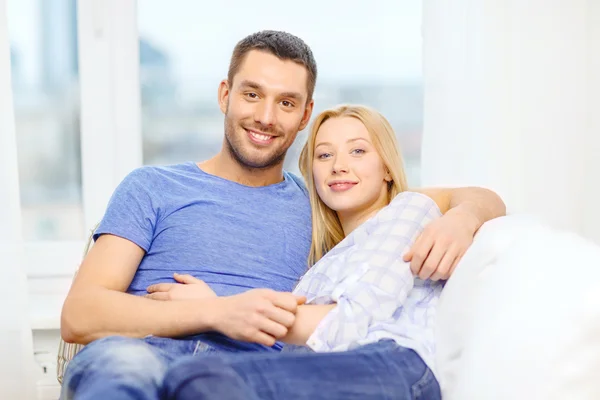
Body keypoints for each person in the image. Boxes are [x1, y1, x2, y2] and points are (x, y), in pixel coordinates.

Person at [59, 30, 506, 400]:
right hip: (142, 353)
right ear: (225, 95)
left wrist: (461, 220)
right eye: (252, 95)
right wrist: (214, 314)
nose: (266, 117)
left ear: (305, 115)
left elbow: (473, 200)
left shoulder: (326, 204)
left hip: (251, 377)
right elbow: (81, 315)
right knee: (121, 367)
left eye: (287, 103)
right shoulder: (152, 187)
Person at [158, 104, 447, 400]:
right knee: (183, 374)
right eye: (324, 155)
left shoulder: (409, 209)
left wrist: (220, 310)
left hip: (393, 365)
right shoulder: (325, 261)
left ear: (387, 167)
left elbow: (353, 320)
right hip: (334, 369)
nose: (338, 166)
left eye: (357, 151)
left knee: (198, 378)